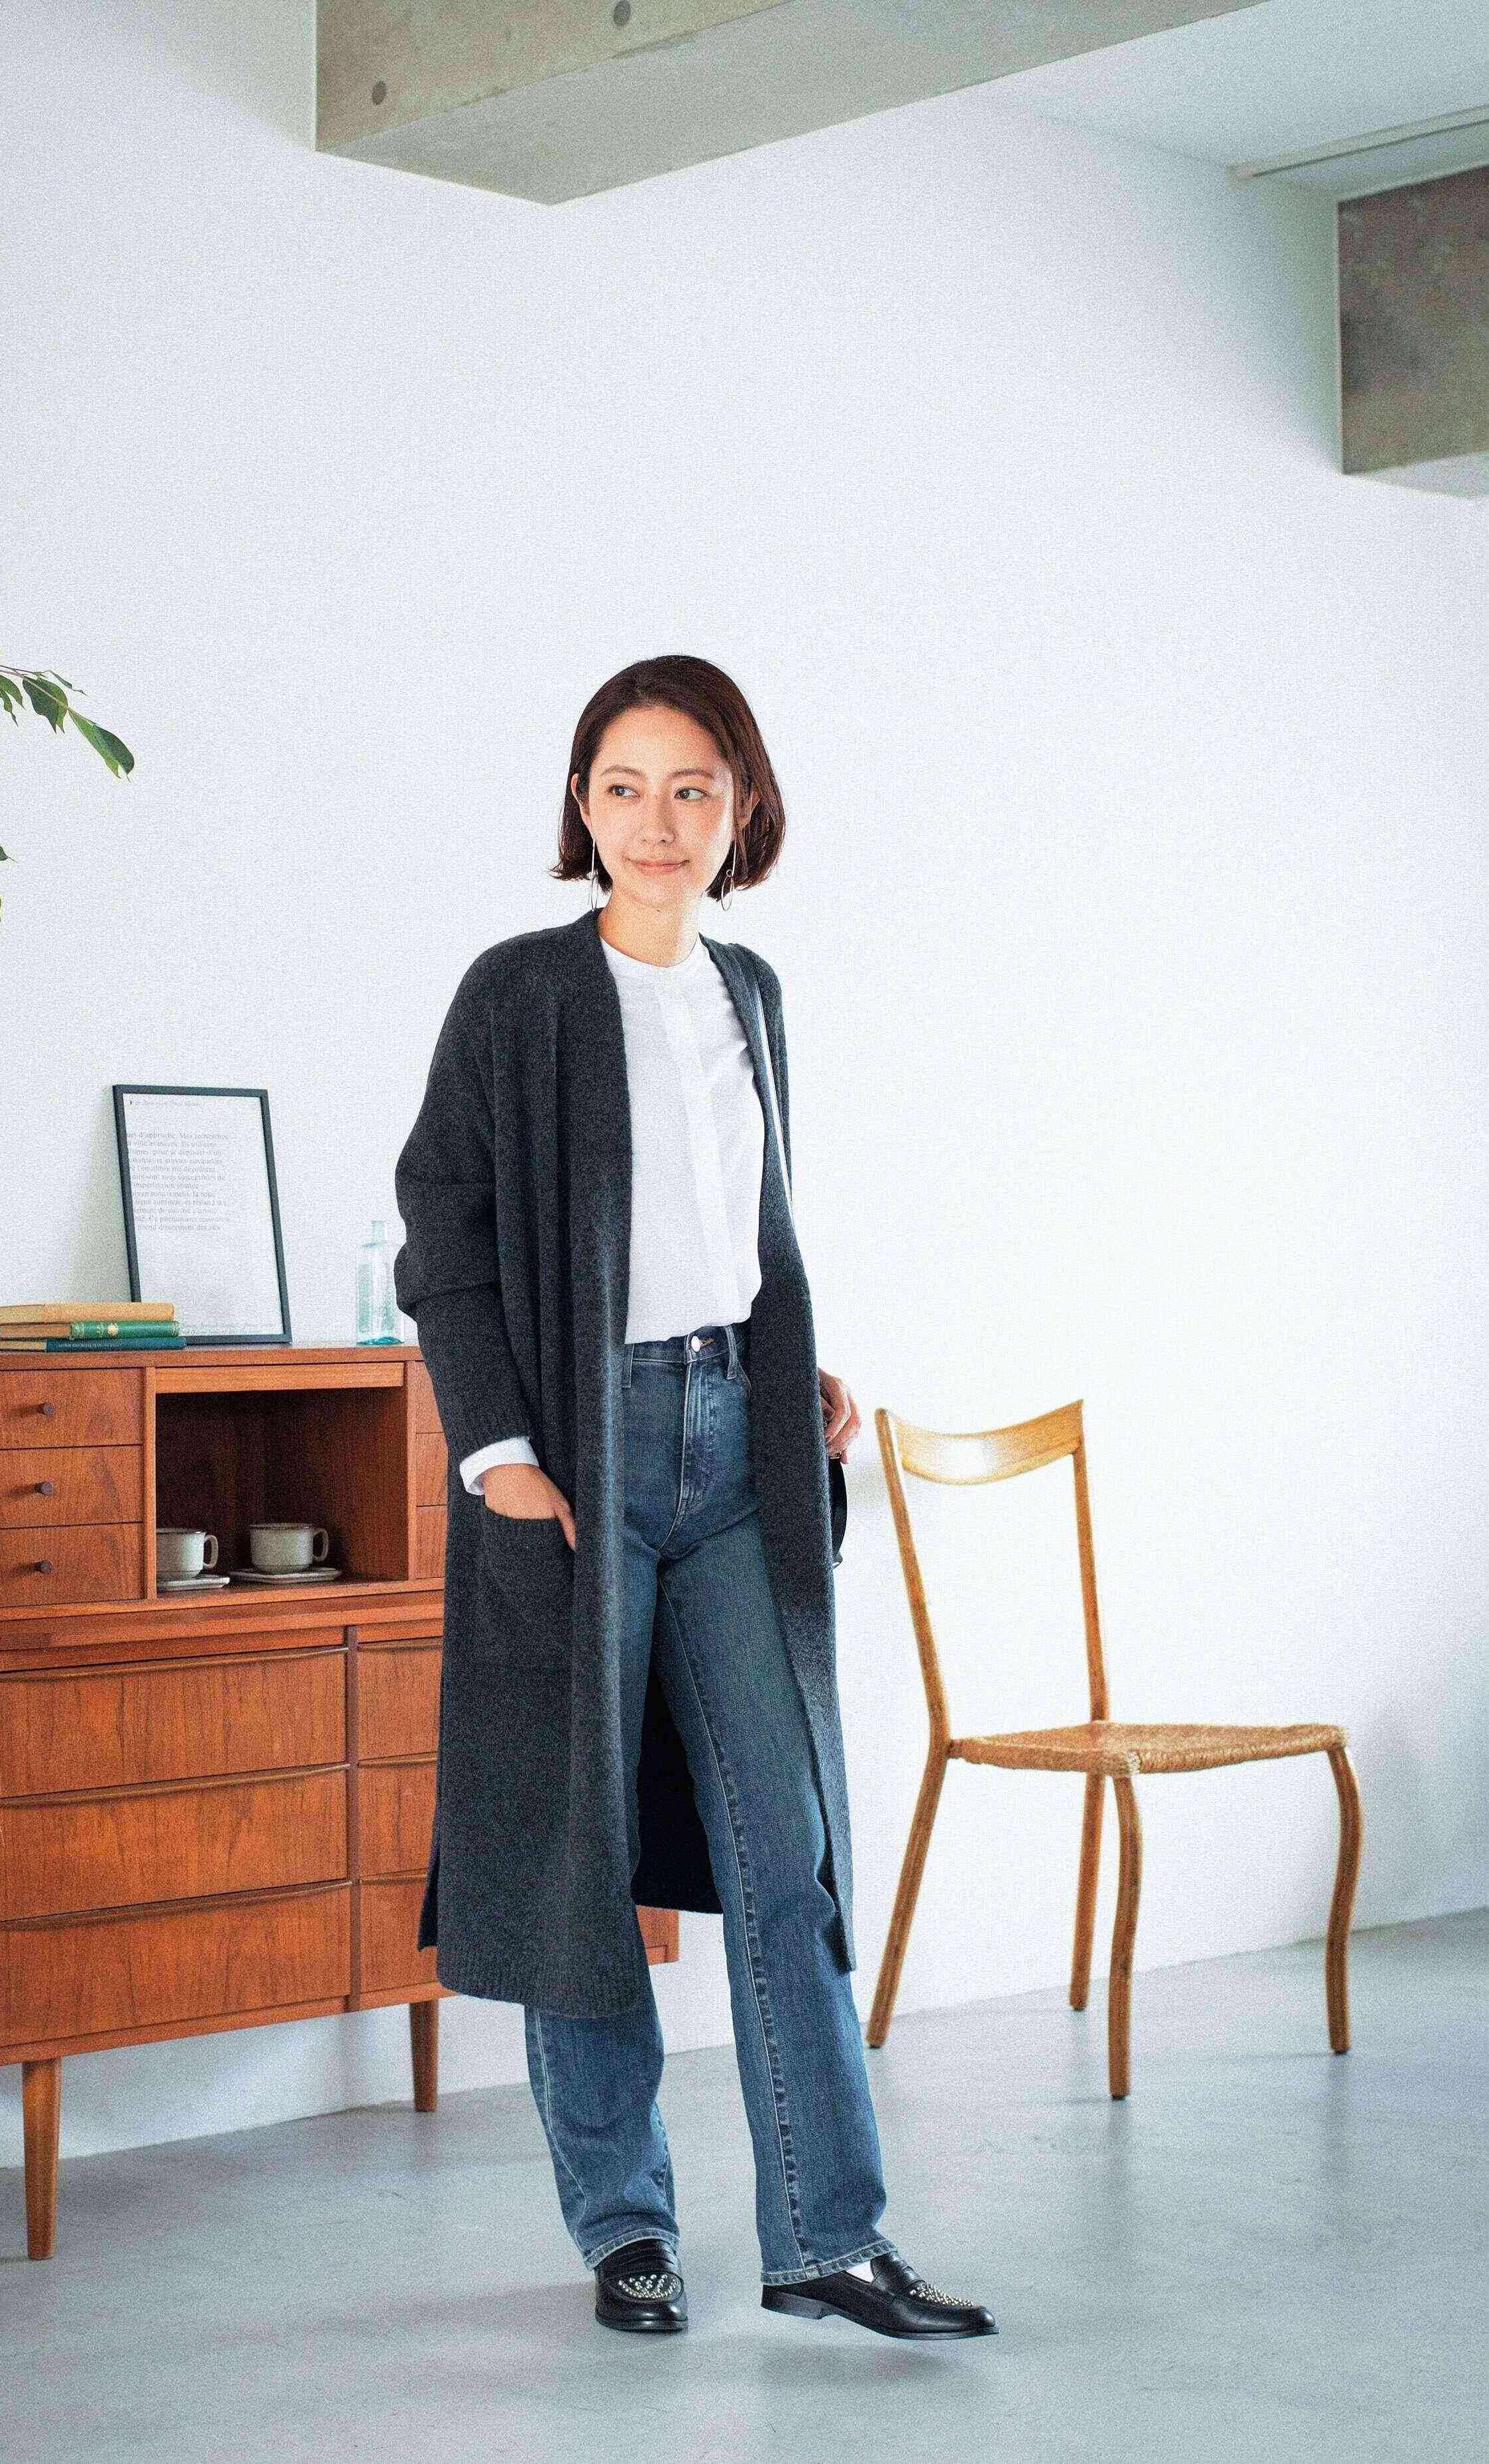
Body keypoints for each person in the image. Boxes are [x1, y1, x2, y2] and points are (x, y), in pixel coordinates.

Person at [392, 654, 996, 2344]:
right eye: (622, 786)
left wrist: (792, 1367)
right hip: (574, 1465)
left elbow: (741, 1229)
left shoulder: (752, 991)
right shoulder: (518, 991)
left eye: (691, 789)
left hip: (740, 1453)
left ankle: (827, 2238)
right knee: (576, 1859)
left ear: (743, 808)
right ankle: (626, 2228)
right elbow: (439, 1224)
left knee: (787, 1849)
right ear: (579, 805)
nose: (654, 822)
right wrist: (499, 1454)